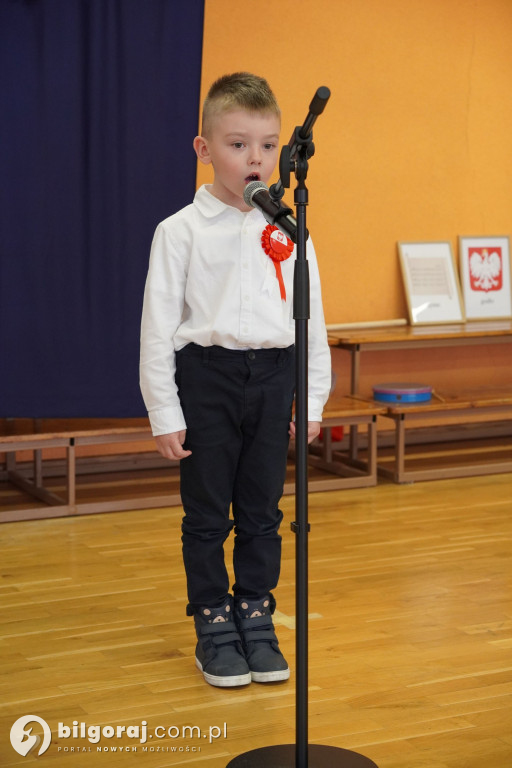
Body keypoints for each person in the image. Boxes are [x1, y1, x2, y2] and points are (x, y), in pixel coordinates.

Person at [140, 72, 331, 688]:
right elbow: (158, 328)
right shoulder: (180, 231)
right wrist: (164, 411)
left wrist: (314, 397)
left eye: (269, 145)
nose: (256, 159)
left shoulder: (289, 228)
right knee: (206, 514)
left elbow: (312, 324)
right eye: (238, 144)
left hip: (275, 379)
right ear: (203, 148)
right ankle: (213, 621)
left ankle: (255, 611)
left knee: (262, 510)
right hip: (208, 378)